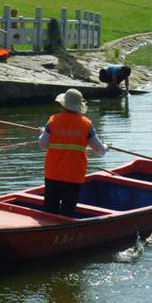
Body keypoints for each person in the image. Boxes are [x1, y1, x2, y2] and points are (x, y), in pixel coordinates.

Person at [38, 88, 110, 216]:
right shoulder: (86, 124)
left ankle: (48, 227)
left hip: (53, 173)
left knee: (49, 210)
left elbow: (43, 145)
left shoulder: (53, 120)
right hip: (73, 175)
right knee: (67, 210)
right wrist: (106, 147)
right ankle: (66, 226)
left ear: (63, 104)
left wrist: (42, 133)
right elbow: (99, 150)